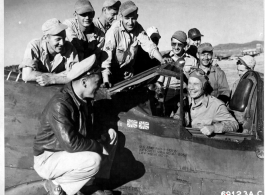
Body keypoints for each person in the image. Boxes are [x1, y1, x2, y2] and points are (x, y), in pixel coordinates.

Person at [33, 54, 117, 195]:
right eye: (97, 83)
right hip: (48, 158)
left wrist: (103, 138)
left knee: (112, 135)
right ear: (84, 82)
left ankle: (91, 185)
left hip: (64, 153)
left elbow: (90, 131)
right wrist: (99, 147)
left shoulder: (83, 99)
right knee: (93, 160)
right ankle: (55, 185)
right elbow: (71, 144)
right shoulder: (60, 104)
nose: (99, 87)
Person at [101, 0, 165, 87]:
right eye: (127, 18)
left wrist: (162, 60)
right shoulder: (113, 31)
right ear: (121, 17)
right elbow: (106, 59)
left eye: (133, 18)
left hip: (128, 76)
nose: (130, 22)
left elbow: (149, 45)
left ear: (137, 16)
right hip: (111, 75)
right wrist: (106, 80)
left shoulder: (138, 28)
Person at [173, 68, 239, 136]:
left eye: (196, 84)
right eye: (190, 83)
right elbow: (177, 119)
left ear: (204, 86)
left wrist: (213, 128)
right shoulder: (185, 101)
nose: (191, 87)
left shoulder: (215, 105)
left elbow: (234, 124)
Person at [19, 18, 79, 86]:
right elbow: (27, 75)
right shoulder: (34, 46)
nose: (62, 43)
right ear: (46, 38)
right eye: (58, 39)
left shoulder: (69, 47)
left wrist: (52, 79)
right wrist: (59, 76)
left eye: (64, 38)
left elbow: (74, 74)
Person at [157, 31, 197, 116]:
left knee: (182, 120)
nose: (176, 47)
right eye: (173, 44)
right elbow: (160, 80)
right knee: (164, 119)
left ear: (185, 45)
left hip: (183, 93)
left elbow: (194, 79)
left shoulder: (192, 60)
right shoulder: (165, 58)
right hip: (167, 92)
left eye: (179, 44)